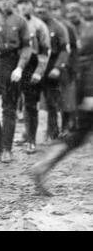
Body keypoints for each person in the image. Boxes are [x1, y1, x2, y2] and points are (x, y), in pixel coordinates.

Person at [31, 21, 93, 196]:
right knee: (77, 135)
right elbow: (88, 62)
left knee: (77, 136)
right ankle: (42, 166)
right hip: (90, 92)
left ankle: (42, 166)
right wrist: (89, 93)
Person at [0, 0, 32, 163]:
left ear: (13, 0)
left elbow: (27, 46)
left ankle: (7, 148)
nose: (4, 2)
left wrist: (20, 67)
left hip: (12, 65)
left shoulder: (21, 21)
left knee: (9, 108)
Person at [16, 0, 51, 154]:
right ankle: (24, 134)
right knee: (18, 104)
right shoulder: (14, 22)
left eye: (27, 3)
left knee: (30, 105)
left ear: (33, 5)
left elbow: (45, 51)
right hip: (15, 65)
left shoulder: (39, 25)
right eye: (21, 3)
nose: (24, 6)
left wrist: (39, 71)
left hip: (32, 65)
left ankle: (31, 140)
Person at [35, 0, 70, 142]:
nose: (41, 12)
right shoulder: (33, 25)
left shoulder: (58, 27)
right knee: (30, 103)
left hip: (51, 68)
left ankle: (53, 132)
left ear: (50, 11)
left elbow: (64, 50)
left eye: (44, 10)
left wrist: (57, 68)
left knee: (52, 102)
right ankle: (30, 135)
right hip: (35, 67)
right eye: (39, 10)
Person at [51, 0, 79, 135]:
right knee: (54, 99)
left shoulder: (67, 26)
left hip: (67, 67)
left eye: (56, 9)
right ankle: (54, 127)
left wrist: (72, 66)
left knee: (67, 98)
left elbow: (73, 49)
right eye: (52, 9)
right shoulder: (48, 25)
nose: (54, 12)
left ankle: (67, 125)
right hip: (52, 67)